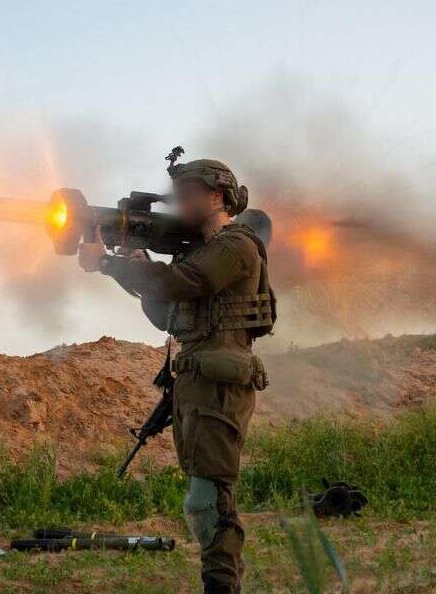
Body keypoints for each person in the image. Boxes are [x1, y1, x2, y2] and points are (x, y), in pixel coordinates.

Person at [78, 158, 274, 594]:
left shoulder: (236, 246)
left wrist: (110, 264)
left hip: (218, 386)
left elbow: (183, 282)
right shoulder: (200, 253)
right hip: (194, 383)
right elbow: (167, 315)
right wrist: (131, 267)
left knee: (210, 503)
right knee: (202, 503)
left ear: (217, 197)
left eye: (188, 194)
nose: (179, 203)